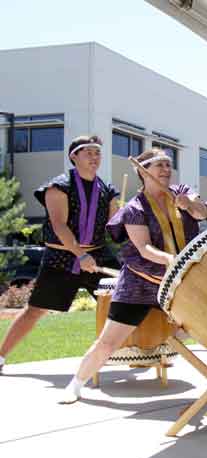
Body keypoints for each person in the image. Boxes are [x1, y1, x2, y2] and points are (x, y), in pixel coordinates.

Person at [59, 148, 207, 403]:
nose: (165, 170)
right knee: (108, 342)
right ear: (142, 171)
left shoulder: (181, 191)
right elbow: (144, 248)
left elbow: (202, 213)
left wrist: (189, 205)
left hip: (179, 282)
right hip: (139, 284)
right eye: (159, 165)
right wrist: (171, 259)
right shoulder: (135, 207)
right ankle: (76, 384)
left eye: (168, 165)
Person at [0, 136, 119, 375]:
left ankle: (138, 351)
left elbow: (113, 225)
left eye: (98, 152)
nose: (95, 157)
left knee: (125, 300)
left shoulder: (106, 189)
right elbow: (59, 225)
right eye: (88, 152)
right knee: (36, 309)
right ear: (73, 156)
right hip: (62, 256)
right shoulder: (59, 186)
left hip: (98, 255)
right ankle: (1, 356)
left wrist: (120, 218)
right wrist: (80, 255)